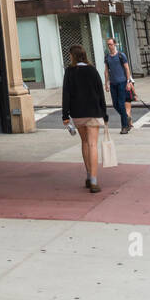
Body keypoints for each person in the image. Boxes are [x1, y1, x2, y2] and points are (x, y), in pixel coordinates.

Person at [62, 43, 109, 193]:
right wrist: (104, 113)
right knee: (93, 144)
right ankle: (94, 180)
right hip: (94, 111)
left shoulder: (69, 71)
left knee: (84, 142)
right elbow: (100, 92)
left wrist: (65, 115)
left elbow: (66, 94)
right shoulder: (92, 70)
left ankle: (89, 175)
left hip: (78, 112)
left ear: (73, 56)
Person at [104, 36, 133, 134]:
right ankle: (127, 118)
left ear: (115, 44)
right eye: (108, 44)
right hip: (113, 83)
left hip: (122, 82)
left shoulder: (121, 55)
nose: (109, 46)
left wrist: (128, 81)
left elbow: (127, 69)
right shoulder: (107, 57)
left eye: (111, 44)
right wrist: (106, 83)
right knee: (115, 104)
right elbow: (106, 71)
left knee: (121, 104)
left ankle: (124, 127)